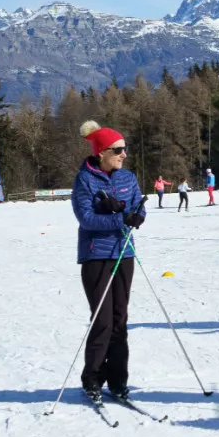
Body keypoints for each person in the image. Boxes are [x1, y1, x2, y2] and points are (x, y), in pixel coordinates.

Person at [71, 120, 146, 401]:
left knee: (119, 319)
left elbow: (137, 204)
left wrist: (137, 216)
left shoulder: (127, 177)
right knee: (102, 320)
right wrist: (117, 216)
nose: (123, 155)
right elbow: (86, 218)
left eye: (124, 149)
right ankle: (92, 377)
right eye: (118, 150)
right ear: (102, 152)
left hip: (124, 252)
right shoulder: (85, 179)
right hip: (96, 255)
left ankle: (117, 379)